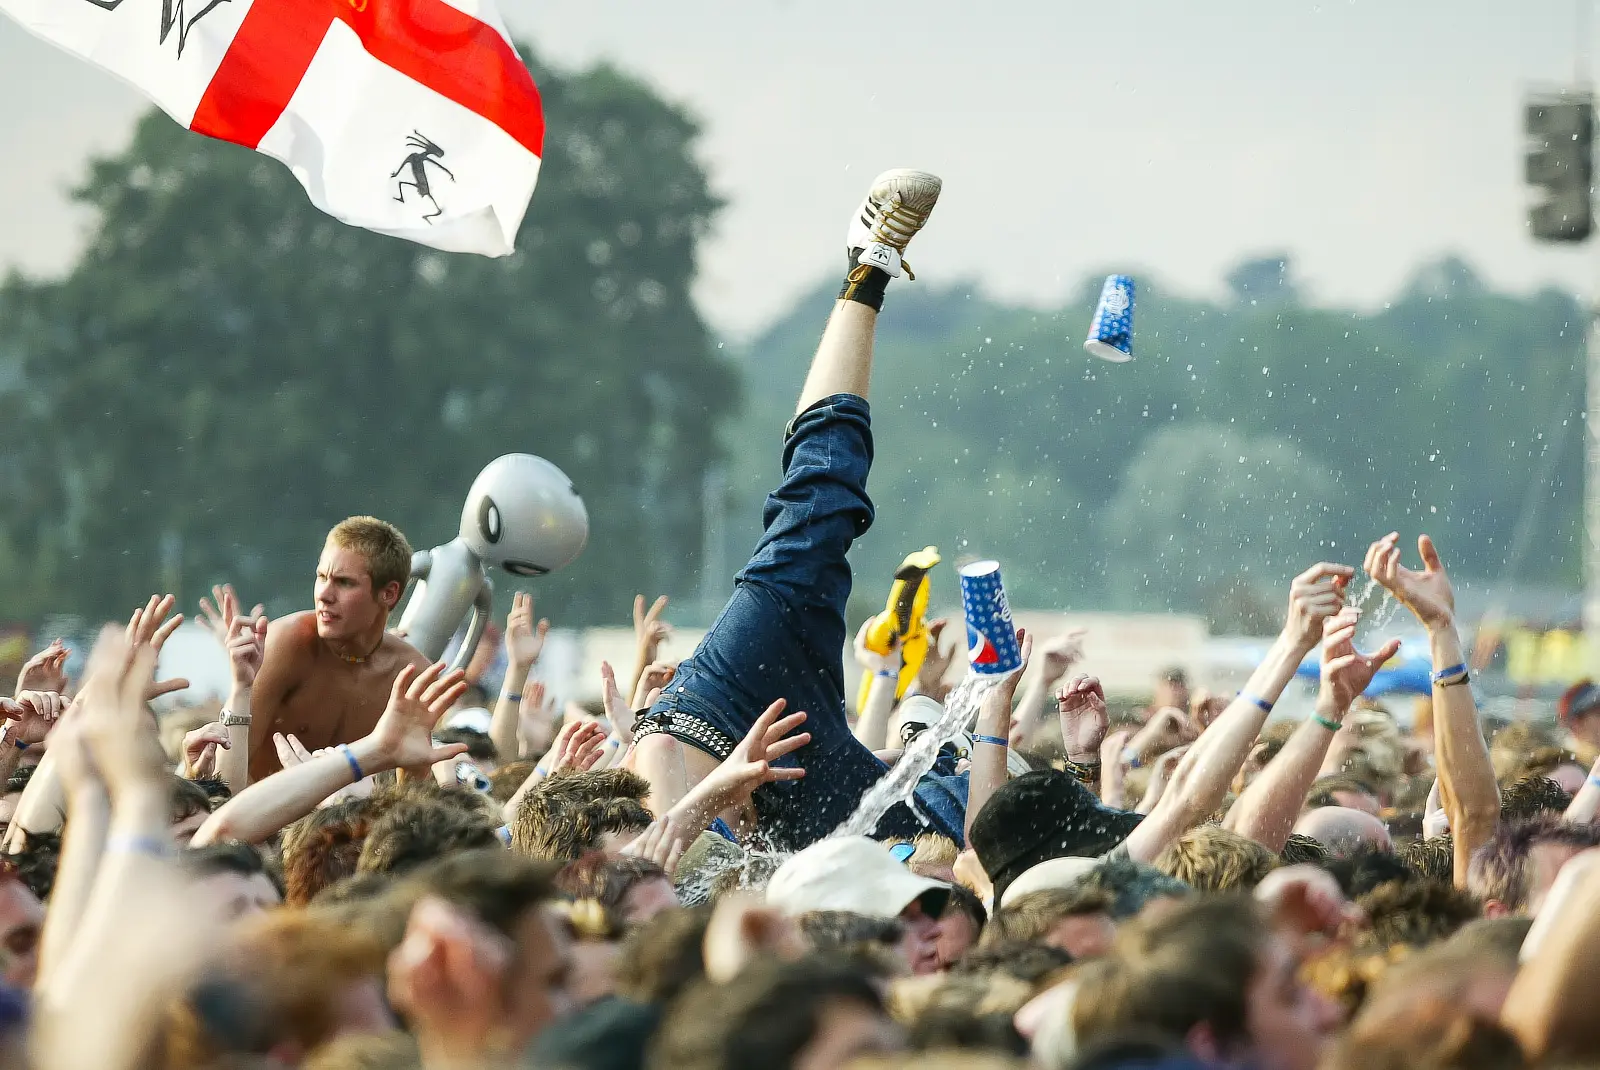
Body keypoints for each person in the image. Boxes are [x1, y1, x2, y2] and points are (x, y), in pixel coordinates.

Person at [628, 169, 957, 848]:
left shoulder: (605, 897)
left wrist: (716, 782)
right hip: (788, 786)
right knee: (950, 834)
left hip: (720, 708)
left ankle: (866, 269)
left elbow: (650, 832)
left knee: (819, 512)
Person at [241, 517, 433, 781]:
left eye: (344, 582)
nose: (324, 595)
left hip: (351, 820)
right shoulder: (288, 642)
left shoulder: (412, 674)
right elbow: (231, 767)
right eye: (321, 577)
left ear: (388, 594)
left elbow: (411, 796)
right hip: (258, 815)